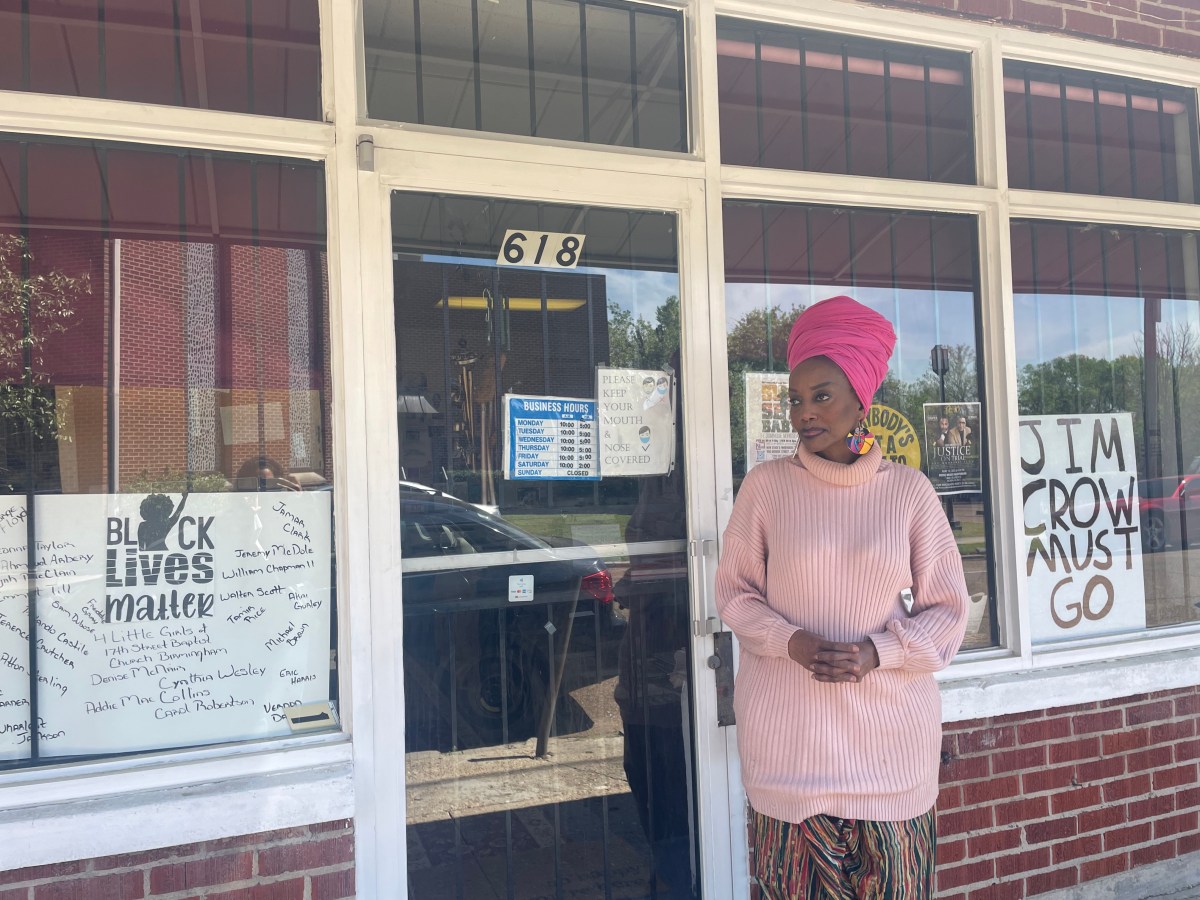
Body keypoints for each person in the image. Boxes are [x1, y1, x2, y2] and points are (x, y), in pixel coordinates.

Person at [715, 295, 968, 899]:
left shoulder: (908, 492)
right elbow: (733, 595)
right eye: (795, 399)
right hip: (787, 757)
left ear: (862, 398)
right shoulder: (767, 488)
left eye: (821, 395)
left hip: (890, 760)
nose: (804, 412)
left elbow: (948, 612)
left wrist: (878, 652)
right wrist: (792, 641)